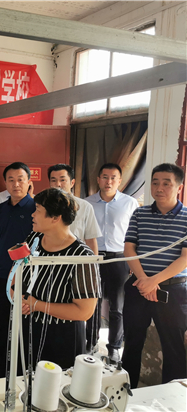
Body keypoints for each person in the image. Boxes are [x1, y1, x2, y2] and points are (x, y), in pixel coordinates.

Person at [122, 163, 187, 388]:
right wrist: (144, 280)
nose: (159, 188)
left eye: (166, 184)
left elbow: (185, 258)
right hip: (138, 286)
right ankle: (127, 390)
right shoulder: (139, 213)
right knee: (132, 341)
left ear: (179, 187)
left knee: (173, 345)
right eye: (155, 183)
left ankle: (173, 395)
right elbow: (129, 248)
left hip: (173, 290)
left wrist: (153, 281)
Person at [20, 188, 100, 368]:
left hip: (62, 337)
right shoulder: (34, 239)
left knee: (56, 382)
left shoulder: (82, 256)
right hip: (29, 327)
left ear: (55, 217)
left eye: (38, 210)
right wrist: (20, 300)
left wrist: (36, 305)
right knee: (24, 380)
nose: (32, 215)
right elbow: (17, 274)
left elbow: (84, 312)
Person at [0, 162, 36, 380]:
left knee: (24, 324)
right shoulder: (1, 208)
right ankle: (1, 367)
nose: (16, 184)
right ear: (5, 183)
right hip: (2, 274)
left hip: (28, 278)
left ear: (29, 182)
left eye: (20, 179)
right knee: (1, 322)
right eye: (11, 180)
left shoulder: (37, 209)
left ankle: (22, 370)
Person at [86, 163, 139, 362]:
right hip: (94, 258)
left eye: (113, 178)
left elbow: (136, 235)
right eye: (105, 177)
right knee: (93, 303)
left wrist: (133, 262)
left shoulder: (130, 203)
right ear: (98, 179)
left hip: (119, 258)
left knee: (117, 306)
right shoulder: (87, 203)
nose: (109, 181)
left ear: (120, 181)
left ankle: (114, 347)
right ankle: (90, 343)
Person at [48, 164, 101, 255]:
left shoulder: (85, 207)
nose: (58, 184)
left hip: (76, 258)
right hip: (49, 258)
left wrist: (94, 262)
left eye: (62, 180)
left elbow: (91, 240)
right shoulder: (43, 206)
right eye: (53, 180)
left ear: (72, 183)